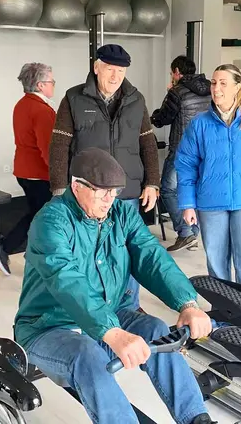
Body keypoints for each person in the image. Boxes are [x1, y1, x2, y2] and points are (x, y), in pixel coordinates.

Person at [15, 148, 215, 424]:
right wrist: (111, 331)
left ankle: (196, 419)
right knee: (86, 355)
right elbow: (66, 280)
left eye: (115, 191)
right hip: (49, 325)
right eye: (101, 191)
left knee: (156, 329)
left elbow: (151, 257)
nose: (109, 199)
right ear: (76, 186)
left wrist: (188, 303)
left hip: (109, 314)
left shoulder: (121, 214)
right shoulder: (51, 222)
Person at [49, 44, 159, 312]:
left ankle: (128, 308)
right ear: (96, 67)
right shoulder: (73, 98)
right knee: (89, 252)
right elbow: (60, 145)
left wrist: (152, 183)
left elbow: (148, 143)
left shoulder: (136, 99)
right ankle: (91, 307)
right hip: (89, 192)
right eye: (110, 69)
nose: (115, 76)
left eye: (120, 71)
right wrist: (59, 188)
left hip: (128, 192)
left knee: (127, 250)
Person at [176, 64, 241, 326]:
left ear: (238, 87)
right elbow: (186, 165)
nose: (217, 88)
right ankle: (225, 318)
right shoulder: (200, 124)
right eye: (214, 83)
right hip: (210, 204)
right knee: (217, 265)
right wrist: (187, 203)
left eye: (224, 83)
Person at [0, 63, 57, 276]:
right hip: (39, 173)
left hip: (24, 171)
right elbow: (48, 149)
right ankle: (6, 248)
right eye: (51, 82)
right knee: (43, 216)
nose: (53, 85)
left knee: (38, 213)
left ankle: (31, 254)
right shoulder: (42, 111)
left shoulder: (22, 104)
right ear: (40, 84)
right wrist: (59, 175)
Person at [150, 55, 210, 252]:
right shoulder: (211, 88)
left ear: (177, 72)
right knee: (195, 190)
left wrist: (157, 112)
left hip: (181, 150)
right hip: (205, 151)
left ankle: (186, 233)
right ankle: (194, 231)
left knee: (167, 190)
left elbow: (163, 119)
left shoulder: (177, 92)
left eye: (171, 73)